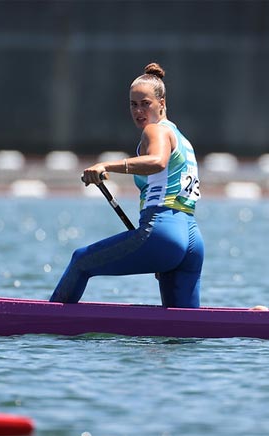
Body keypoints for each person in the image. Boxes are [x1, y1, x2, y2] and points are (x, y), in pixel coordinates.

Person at [50, 62, 204, 308]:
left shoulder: (155, 131)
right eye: (133, 104)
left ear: (162, 103)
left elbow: (157, 161)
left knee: (81, 262)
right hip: (191, 241)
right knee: (185, 330)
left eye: (146, 103)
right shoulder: (183, 139)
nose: (138, 111)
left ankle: (46, 325)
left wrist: (106, 166)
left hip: (164, 233)